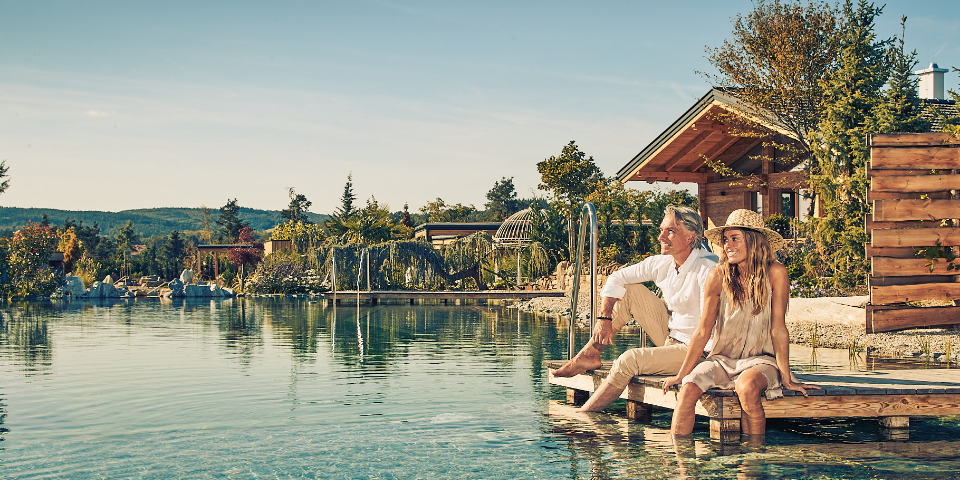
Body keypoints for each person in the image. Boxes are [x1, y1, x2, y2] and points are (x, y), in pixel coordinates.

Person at [661, 209, 819, 438]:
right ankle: (680, 466)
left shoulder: (776, 273)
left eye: (735, 239)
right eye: (725, 240)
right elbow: (703, 330)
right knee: (688, 387)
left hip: (762, 362)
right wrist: (681, 374)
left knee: (746, 388)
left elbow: (778, 329)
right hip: (722, 360)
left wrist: (787, 377)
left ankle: (751, 463)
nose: (727, 245)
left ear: (753, 241)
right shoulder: (718, 276)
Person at [553, 204, 717, 397]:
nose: (660, 237)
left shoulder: (709, 269)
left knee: (630, 358)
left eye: (670, 231)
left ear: (691, 236)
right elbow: (616, 277)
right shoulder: (663, 263)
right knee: (629, 290)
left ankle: (584, 418)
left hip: (699, 352)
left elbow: (708, 331)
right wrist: (604, 318)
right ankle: (590, 353)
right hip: (672, 339)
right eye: (661, 230)